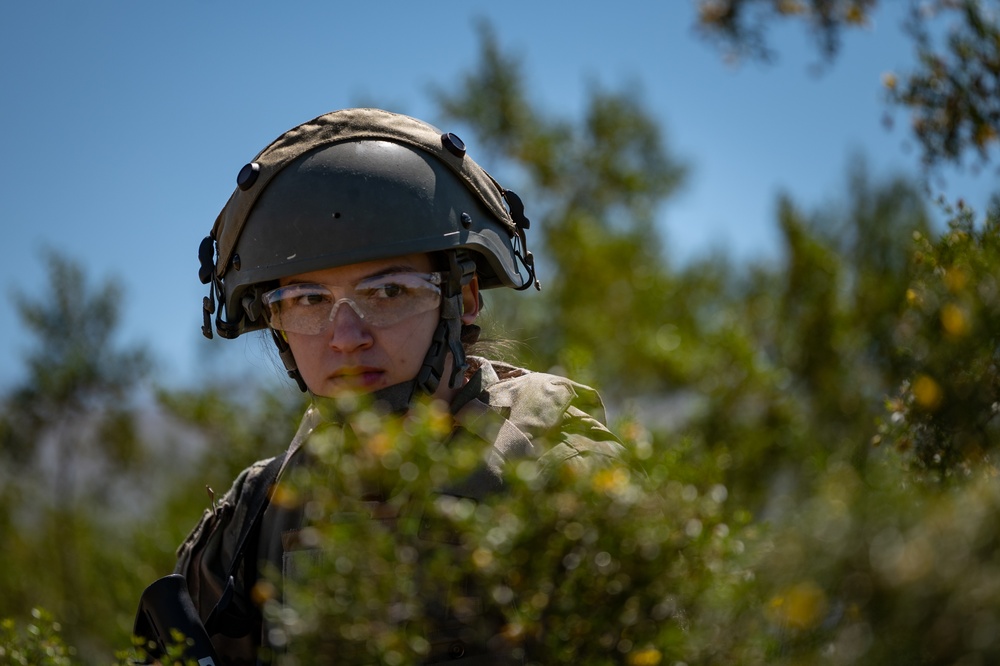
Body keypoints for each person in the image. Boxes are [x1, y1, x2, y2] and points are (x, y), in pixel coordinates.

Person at [165, 108, 624, 665]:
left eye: (389, 292)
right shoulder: (255, 516)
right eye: (308, 301)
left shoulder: (559, 471)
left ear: (465, 298)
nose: (347, 336)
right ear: (277, 324)